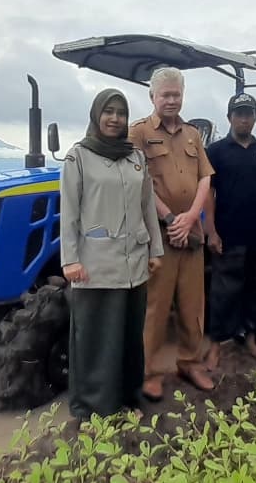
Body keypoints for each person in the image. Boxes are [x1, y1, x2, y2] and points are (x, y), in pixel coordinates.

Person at [59, 89, 164, 422]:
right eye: (108, 111)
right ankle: (93, 410)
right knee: (96, 339)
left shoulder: (135, 158)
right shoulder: (78, 157)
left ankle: (127, 399)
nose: (115, 118)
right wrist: (70, 260)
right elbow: (69, 212)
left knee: (129, 336)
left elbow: (147, 206)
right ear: (96, 115)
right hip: (95, 265)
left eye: (121, 112)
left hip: (134, 263)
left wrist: (155, 250)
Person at [128, 66, 216, 399]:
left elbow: (205, 177)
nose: (171, 100)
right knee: (156, 305)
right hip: (158, 236)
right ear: (152, 96)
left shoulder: (193, 134)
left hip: (190, 234)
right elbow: (138, 181)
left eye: (176, 94)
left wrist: (190, 217)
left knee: (193, 304)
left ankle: (190, 362)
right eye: (165, 94)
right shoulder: (138, 133)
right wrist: (169, 218)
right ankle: (148, 372)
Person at [204, 92, 256, 365]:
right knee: (224, 293)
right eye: (239, 114)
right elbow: (208, 192)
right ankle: (215, 346)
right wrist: (211, 230)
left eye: (249, 114)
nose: (244, 119)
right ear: (230, 117)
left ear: (255, 117)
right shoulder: (215, 151)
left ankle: (251, 340)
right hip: (228, 236)